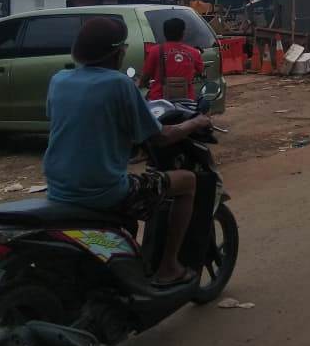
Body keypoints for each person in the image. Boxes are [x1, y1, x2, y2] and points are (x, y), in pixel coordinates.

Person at [43, 17, 211, 287]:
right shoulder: (119, 84)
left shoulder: (59, 80)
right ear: (117, 52)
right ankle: (168, 267)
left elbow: (66, 119)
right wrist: (196, 122)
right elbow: (159, 137)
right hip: (106, 189)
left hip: (58, 187)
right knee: (188, 181)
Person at [139, 17, 205, 101]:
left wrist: (142, 85)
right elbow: (200, 71)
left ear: (164, 33)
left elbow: (146, 75)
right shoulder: (194, 52)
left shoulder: (155, 51)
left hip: (160, 100)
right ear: (183, 33)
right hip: (187, 101)